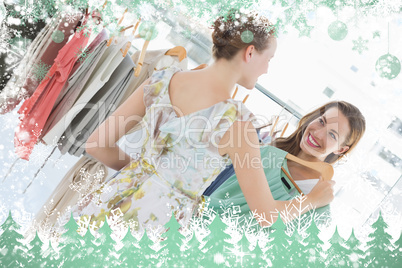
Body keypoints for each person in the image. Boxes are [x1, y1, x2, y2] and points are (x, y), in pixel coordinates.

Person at [54, 10, 335, 235]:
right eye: (268, 58)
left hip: (107, 202)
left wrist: (149, 173)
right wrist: (313, 200)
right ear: (250, 53)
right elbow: (265, 215)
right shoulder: (238, 123)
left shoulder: (163, 80)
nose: (267, 69)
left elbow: (96, 144)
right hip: (156, 224)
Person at [203, 101, 366, 225]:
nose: (317, 133)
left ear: (341, 150)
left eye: (332, 135)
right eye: (322, 121)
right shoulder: (264, 153)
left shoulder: (320, 207)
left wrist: (311, 202)